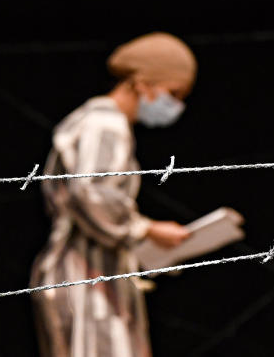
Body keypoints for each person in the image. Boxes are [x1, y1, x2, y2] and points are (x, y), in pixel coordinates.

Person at [30, 32, 197, 357]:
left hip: (94, 275)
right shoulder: (105, 124)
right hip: (84, 278)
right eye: (172, 93)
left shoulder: (99, 121)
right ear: (142, 83)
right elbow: (90, 192)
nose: (175, 105)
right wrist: (145, 229)